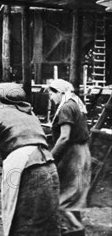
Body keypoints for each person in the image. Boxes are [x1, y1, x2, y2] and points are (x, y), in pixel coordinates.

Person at [0, 83, 60, 236]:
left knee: (22, 218)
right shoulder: (30, 114)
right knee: (46, 218)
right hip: (48, 163)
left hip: (24, 165)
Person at [48, 79, 91, 234]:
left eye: (51, 94)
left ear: (60, 92)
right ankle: (74, 228)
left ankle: (76, 229)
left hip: (73, 154)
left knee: (64, 198)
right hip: (82, 151)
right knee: (72, 196)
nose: (51, 98)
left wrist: (50, 158)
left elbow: (65, 137)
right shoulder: (75, 103)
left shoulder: (66, 107)